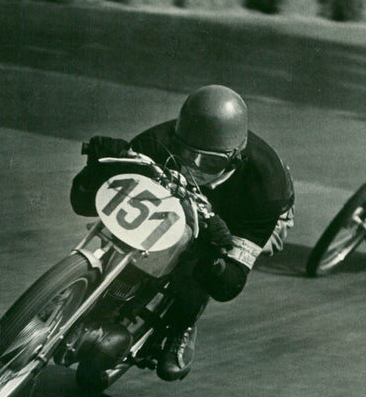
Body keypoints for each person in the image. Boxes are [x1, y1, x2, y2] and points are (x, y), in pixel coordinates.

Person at [70, 85, 295, 381]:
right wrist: (98, 169)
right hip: (186, 194)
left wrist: (214, 256)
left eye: (210, 162)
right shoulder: (155, 143)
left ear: (235, 157)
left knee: (196, 263)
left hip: (252, 216)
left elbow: (230, 284)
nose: (195, 167)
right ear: (177, 140)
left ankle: (185, 321)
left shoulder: (265, 189)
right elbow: (84, 205)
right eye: (187, 153)